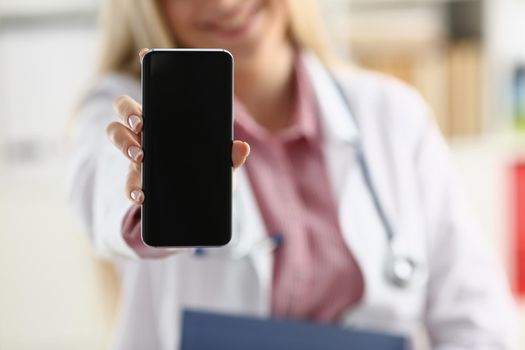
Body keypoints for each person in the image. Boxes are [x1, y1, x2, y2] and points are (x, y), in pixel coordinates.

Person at [67, 0, 517, 349]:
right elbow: (103, 189)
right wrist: (145, 191)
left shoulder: (394, 115)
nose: (224, 3)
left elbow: (477, 320)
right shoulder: (126, 111)